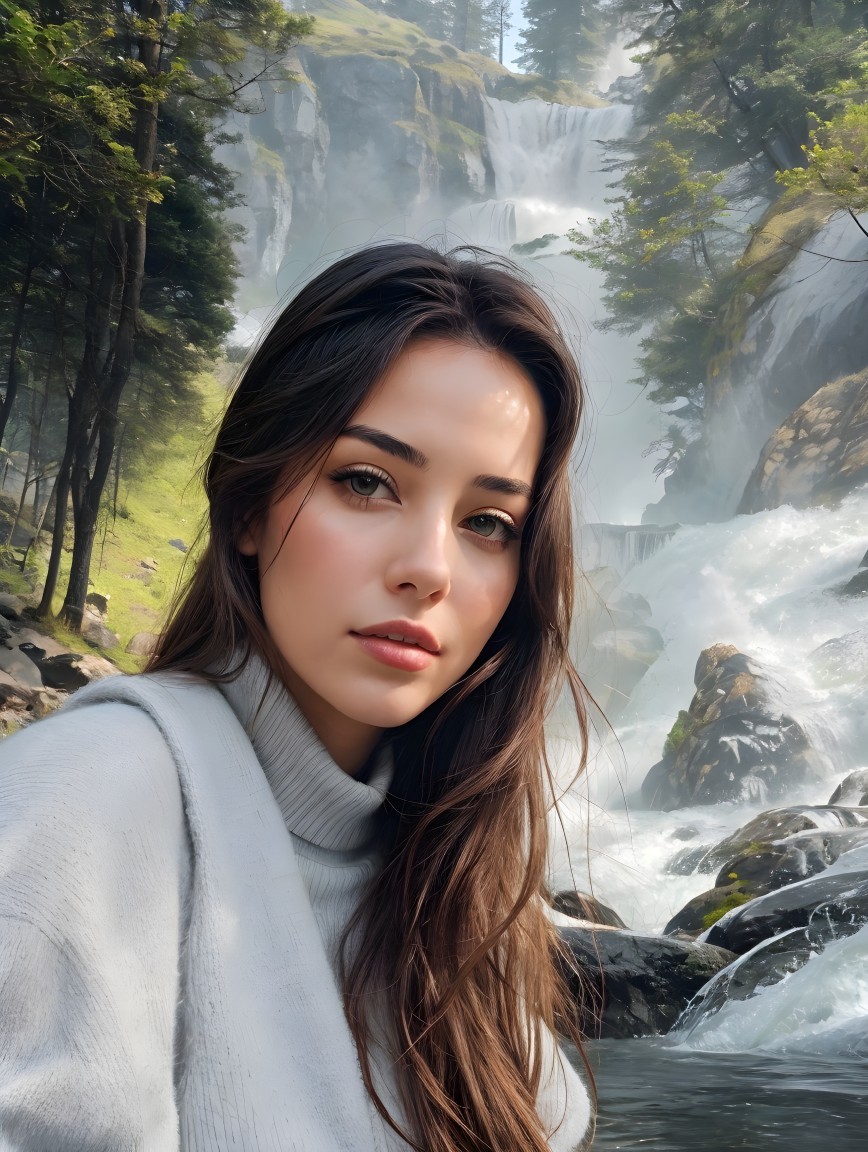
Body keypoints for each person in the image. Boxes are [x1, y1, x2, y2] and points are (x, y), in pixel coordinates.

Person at [0, 242, 593, 1151]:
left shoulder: (461, 884)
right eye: (367, 482)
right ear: (250, 504)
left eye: (487, 522)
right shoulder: (90, 795)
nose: (429, 569)